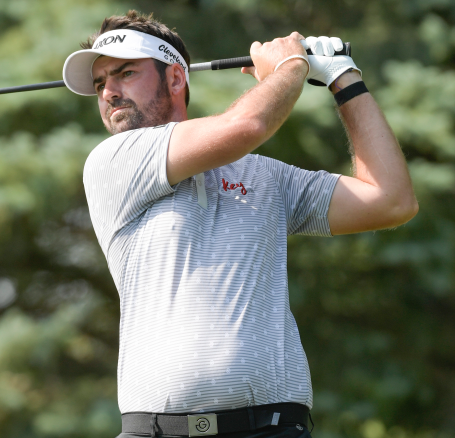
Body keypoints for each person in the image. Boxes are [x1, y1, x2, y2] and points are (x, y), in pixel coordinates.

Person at [61, 10, 418, 438]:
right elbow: (247, 124)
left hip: (274, 429)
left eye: (124, 74)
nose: (109, 93)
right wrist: (290, 67)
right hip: (156, 432)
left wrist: (344, 78)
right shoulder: (112, 162)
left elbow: (391, 200)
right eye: (100, 84)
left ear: (175, 79)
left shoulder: (266, 176)